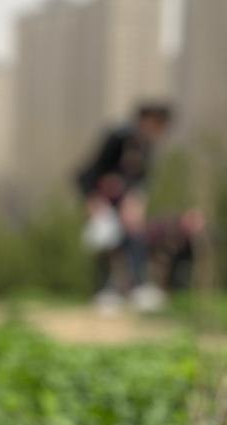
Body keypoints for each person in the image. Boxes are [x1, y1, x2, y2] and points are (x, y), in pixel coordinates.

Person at [75, 101, 173, 312]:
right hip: (101, 197)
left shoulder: (148, 145)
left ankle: (138, 288)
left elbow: (142, 179)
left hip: (123, 199)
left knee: (135, 237)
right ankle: (104, 293)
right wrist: (93, 200)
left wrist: (136, 201)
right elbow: (90, 171)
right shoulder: (118, 137)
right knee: (106, 241)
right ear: (146, 121)